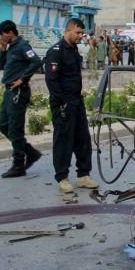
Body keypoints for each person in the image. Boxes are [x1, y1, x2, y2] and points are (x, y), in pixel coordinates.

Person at [44, 19, 99, 195]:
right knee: (63, 140)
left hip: (76, 101)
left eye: (82, 33)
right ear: (67, 31)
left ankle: (83, 175)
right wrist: (62, 102)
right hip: (63, 103)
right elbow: (51, 80)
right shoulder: (55, 52)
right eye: (77, 33)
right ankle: (62, 177)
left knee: (82, 138)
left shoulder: (74, 50)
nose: (80, 36)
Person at [0, 20, 43, 178]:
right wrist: (2, 49)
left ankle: (18, 164)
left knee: (15, 129)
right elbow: (1, 66)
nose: (1, 38)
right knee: (3, 125)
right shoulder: (10, 48)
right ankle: (30, 151)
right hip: (8, 91)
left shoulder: (22, 46)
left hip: (18, 92)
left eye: (2, 35)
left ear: (9, 33)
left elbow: (36, 61)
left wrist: (23, 79)